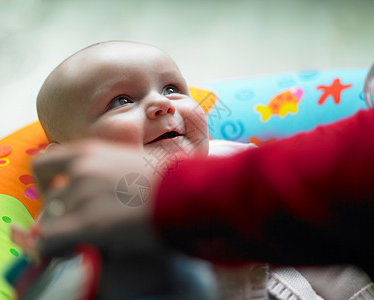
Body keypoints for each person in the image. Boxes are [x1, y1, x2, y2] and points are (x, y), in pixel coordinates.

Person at [32, 40, 374, 299]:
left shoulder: (240, 162)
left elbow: (320, 223)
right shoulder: (78, 209)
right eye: (121, 101)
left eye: (172, 89)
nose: (161, 103)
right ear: (70, 158)